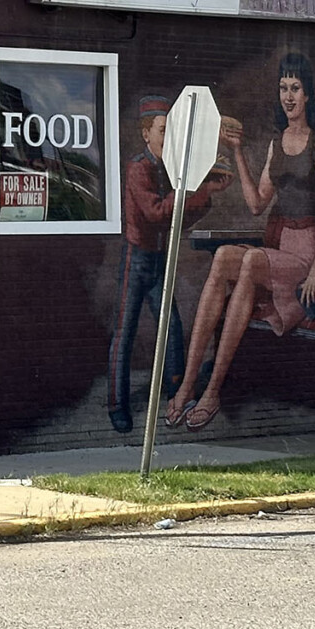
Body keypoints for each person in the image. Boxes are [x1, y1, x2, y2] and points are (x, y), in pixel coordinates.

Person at [164, 53, 315, 432]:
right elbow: (258, 204)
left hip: (306, 255)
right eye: (283, 88)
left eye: (295, 88)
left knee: (249, 261)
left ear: (308, 95)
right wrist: (238, 151)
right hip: (281, 250)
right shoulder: (276, 144)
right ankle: (189, 385)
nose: (288, 96)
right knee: (224, 258)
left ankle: (213, 391)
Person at [108, 94, 233, 434]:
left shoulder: (168, 169)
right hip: (136, 259)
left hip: (159, 257)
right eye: (164, 131)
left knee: (172, 327)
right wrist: (194, 189)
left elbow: (177, 220)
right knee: (124, 332)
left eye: (172, 131)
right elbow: (158, 213)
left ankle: (177, 394)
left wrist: (205, 192)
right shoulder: (138, 168)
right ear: (145, 133)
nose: (169, 138)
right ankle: (117, 406)